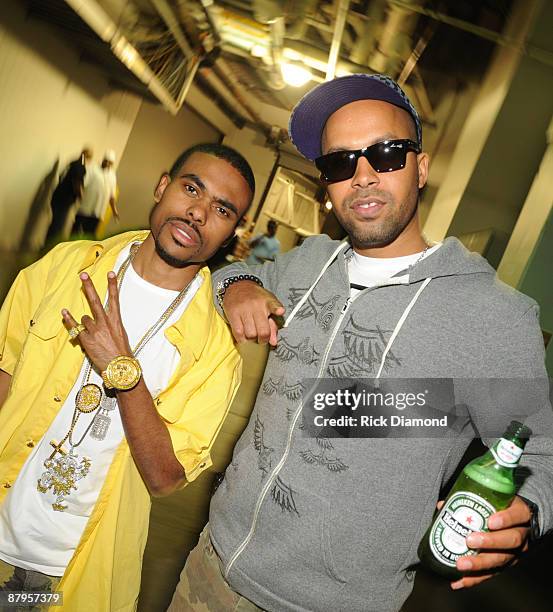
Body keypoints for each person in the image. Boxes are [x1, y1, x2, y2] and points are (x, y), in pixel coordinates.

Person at [169, 75, 553, 612]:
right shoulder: (306, 262)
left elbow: (541, 448)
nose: (363, 177)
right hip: (211, 565)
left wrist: (529, 513)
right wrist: (240, 285)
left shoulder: (492, 317)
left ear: (421, 167)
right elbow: (224, 278)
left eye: (387, 154)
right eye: (340, 163)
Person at [0, 143, 254, 611]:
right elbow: (4, 369)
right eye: (191, 188)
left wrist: (123, 372)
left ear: (232, 232)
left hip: (64, 570)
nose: (198, 212)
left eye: (221, 209)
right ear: (163, 186)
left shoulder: (216, 351)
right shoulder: (66, 268)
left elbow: (165, 478)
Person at [45, 147, 92, 243]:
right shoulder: (80, 167)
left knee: (54, 224)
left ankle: (45, 247)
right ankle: (48, 250)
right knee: (58, 227)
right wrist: (81, 197)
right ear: (88, 157)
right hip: (64, 200)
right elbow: (77, 183)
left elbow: (61, 177)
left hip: (57, 197)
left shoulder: (72, 163)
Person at [72, 150, 119, 236]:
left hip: (98, 213)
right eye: (106, 161)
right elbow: (81, 184)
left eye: (110, 163)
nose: (107, 164)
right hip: (84, 210)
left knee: (89, 238)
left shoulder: (112, 176)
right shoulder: (93, 168)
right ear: (103, 160)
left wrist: (114, 210)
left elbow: (111, 196)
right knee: (75, 234)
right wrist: (79, 198)